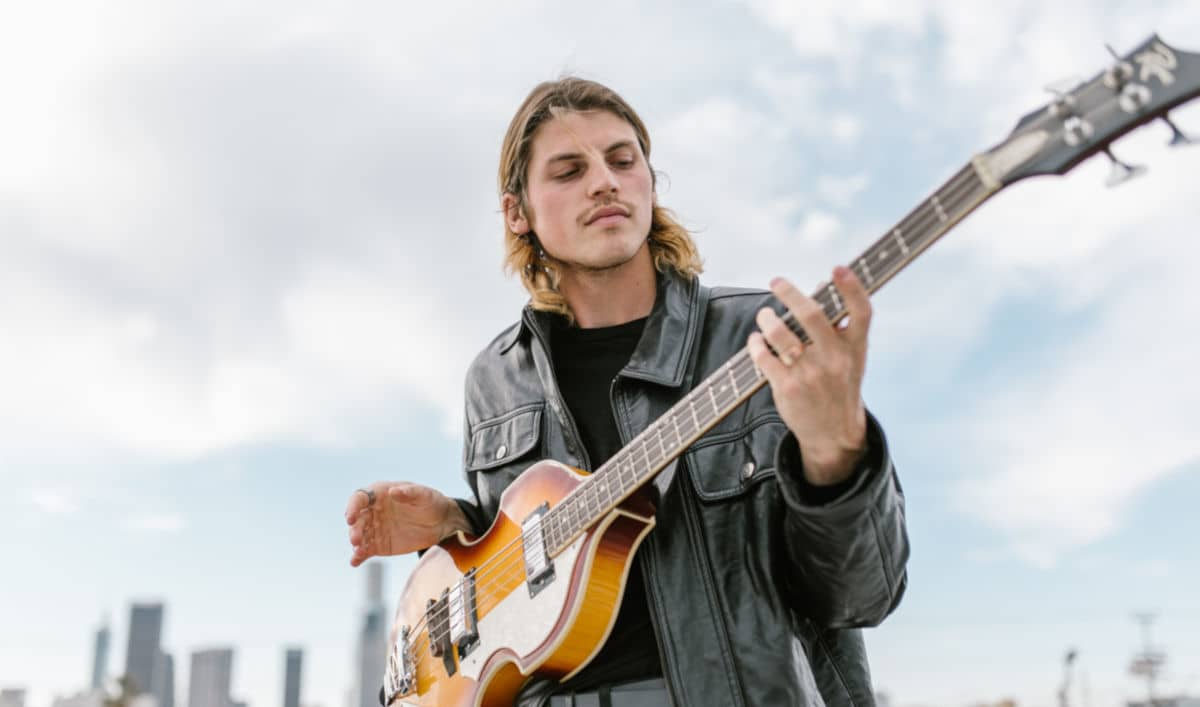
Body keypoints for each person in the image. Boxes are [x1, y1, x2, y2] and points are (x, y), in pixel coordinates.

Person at [345, 77, 909, 707]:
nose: (604, 182)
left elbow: (865, 594)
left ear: (650, 183)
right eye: (568, 170)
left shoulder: (758, 338)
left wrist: (838, 454)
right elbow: (521, 584)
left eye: (622, 160)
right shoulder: (495, 379)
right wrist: (459, 527)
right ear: (517, 213)